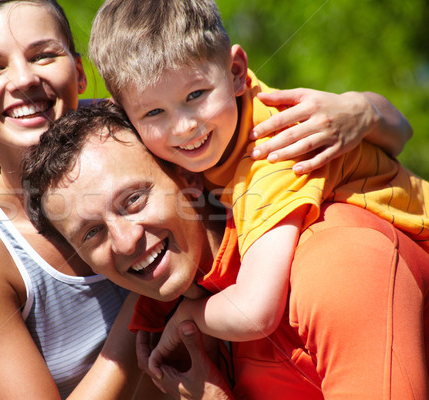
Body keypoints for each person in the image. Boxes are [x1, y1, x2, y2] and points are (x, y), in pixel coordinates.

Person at [0, 0, 415, 398]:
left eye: (43, 55)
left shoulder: (155, 123)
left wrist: (363, 110)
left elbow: (235, 99)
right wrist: (152, 310)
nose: (24, 80)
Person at [88, 0, 429, 386]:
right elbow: (399, 128)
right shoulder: (231, 111)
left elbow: (255, 311)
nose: (183, 127)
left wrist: (191, 317)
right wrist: (366, 106)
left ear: (235, 72)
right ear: (125, 115)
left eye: (196, 95)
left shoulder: (272, 154)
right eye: (154, 114)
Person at [22, 101, 429, 399]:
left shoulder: (338, 262)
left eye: (134, 200)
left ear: (187, 179)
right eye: (92, 233)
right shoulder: (166, 338)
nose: (126, 241)